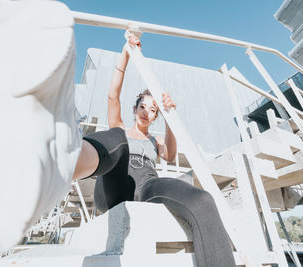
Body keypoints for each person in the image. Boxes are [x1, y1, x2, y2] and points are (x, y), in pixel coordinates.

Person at [72, 34, 236, 267]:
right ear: (135, 109)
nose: (146, 112)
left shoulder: (156, 141)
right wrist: (126, 54)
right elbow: (112, 96)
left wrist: (170, 116)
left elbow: (169, 155)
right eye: (142, 106)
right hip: (115, 187)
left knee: (203, 200)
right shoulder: (121, 129)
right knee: (118, 139)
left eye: (152, 109)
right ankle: (71, 157)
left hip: (146, 188)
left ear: (156, 116)